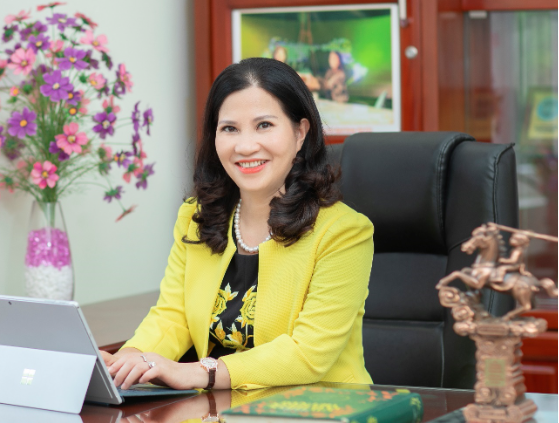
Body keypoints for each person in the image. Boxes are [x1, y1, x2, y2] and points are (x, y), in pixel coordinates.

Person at [101, 58, 374, 392]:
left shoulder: (344, 232)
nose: (245, 146)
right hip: (222, 407)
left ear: (300, 133)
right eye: (229, 128)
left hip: (319, 408)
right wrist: (130, 359)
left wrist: (200, 373)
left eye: (264, 125)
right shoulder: (197, 216)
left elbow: (308, 353)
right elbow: (173, 315)